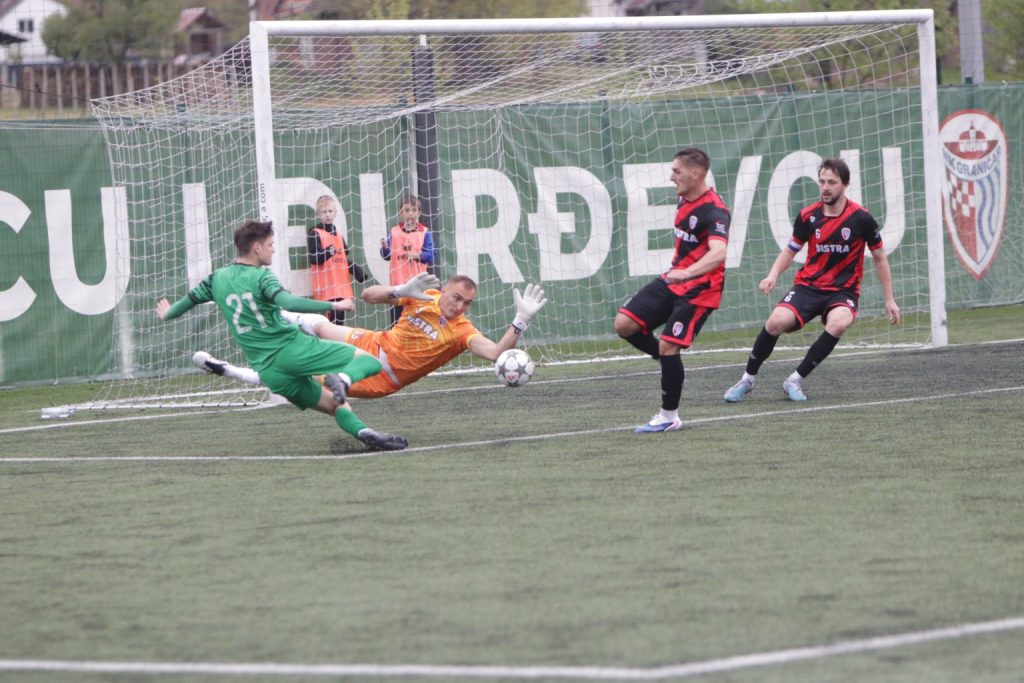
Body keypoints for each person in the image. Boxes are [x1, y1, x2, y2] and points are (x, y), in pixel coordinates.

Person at [156, 219, 408, 451]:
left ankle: (365, 433)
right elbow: (288, 302)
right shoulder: (261, 277)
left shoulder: (216, 279)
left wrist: (168, 314)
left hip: (269, 372)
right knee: (371, 362)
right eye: (270, 245)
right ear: (256, 248)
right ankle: (342, 379)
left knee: (336, 404)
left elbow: (188, 301)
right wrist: (334, 304)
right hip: (292, 349)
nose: (273, 250)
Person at [192, 272, 548, 399]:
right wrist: (399, 290)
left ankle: (229, 370)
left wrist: (520, 321)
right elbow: (367, 296)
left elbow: (496, 353)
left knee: (298, 377)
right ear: (446, 289)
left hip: (380, 376)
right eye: (457, 298)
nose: (460, 306)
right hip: (374, 342)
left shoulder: (461, 331)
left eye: (467, 303)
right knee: (323, 326)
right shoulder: (425, 296)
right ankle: (277, 313)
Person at [723, 157, 901, 403]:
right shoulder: (808, 216)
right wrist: (773, 275)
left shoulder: (861, 218)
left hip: (843, 291)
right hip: (808, 287)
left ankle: (794, 379)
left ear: (845, 185)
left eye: (832, 182)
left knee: (839, 323)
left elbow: (880, 258)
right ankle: (747, 380)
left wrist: (889, 299)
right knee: (775, 322)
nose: (825, 187)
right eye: (822, 181)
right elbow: (790, 251)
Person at [613, 147, 731, 433]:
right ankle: (670, 366)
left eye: (677, 171)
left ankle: (669, 417)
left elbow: (719, 252)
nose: (671, 177)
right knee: (624, 324)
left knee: (669, 345)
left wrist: (688, 272)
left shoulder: (715, 211)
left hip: (700, 290)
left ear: (696, 173)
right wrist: (681, 271)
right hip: (674, 279)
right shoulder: (683, 199)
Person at [307, 194, 368, 325]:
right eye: (324, 212)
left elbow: (343, 260)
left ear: (335, 213)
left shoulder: (339, 236)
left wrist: (356, 271)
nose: (327, 215)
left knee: (339, 325)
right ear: (318, 214)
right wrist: (328, 252)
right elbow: (314, 258)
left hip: (340, 288)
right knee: (330, 326)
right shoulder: (315, 233)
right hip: (327, 290)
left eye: (330, 211)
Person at [380, 195, 434, 326]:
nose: (411, 213)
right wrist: (385, 248)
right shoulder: (394, 232)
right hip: (398, 287)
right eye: (407, 210)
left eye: (414, 210)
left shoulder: (424, 232)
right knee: (397, 323)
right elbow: (387, 256)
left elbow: (431, 255)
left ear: (419, 213)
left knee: (417, 323)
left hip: (418, 287)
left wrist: (417, 256)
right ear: (400, 212)